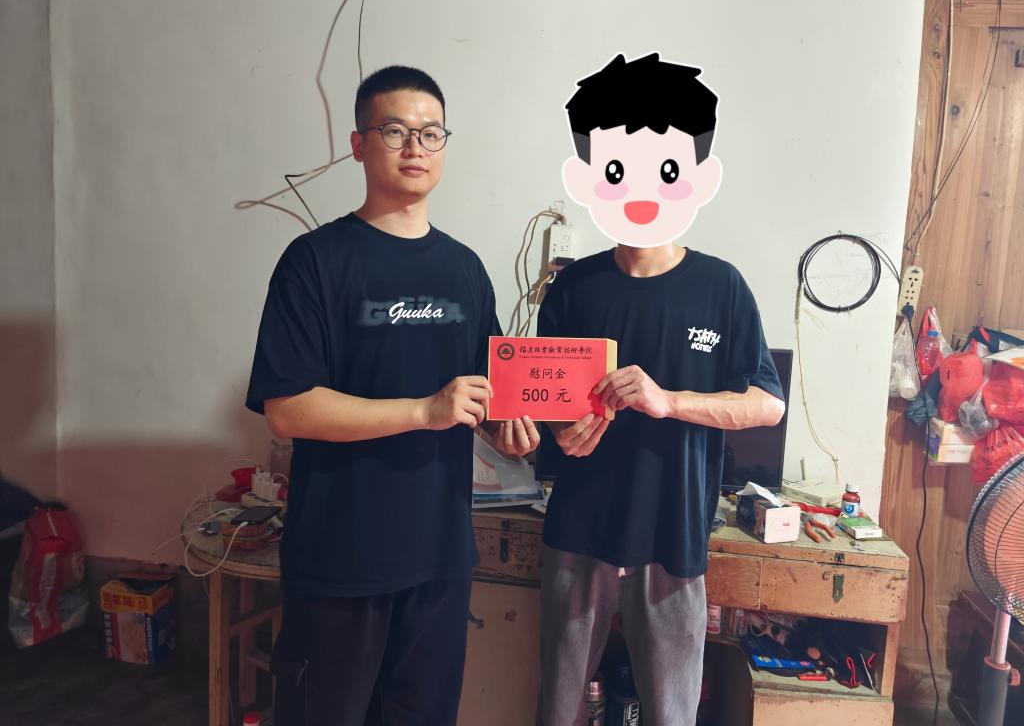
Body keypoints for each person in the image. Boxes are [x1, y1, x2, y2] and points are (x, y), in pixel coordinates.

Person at [245, 65, 539, 726]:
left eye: (431, 133)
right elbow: (287, 409)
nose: (415, 148)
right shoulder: (313, 262)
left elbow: (483, 396)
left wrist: (508, 427)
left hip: (439, 561)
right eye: (395, 131)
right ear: (359, 144)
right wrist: (424, 411)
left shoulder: (464, 270)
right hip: (339, 560)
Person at [536, 53, 786, 726]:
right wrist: (558, 433)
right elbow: (539, 406)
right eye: (618, 169)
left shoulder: (722, 287)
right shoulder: (573, 287)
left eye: (665, 169)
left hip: (673, 537)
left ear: (698, 177)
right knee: (558, 711)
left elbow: (767, 403)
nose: (641, 189)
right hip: (578, 532)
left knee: (672, 714)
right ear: (589, 176)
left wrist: (669, 401)